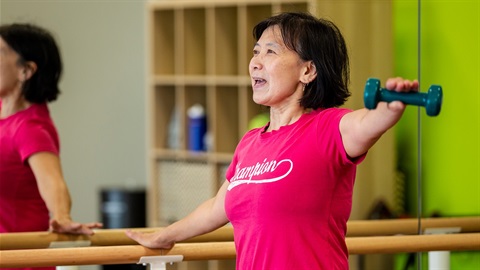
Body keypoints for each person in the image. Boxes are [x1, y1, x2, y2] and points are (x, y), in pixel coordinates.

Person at [126, 12, 418, 269]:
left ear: (308, 70)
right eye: (255, 52)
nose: (255, 63)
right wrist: (165, 236)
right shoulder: (251, 142)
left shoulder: (328, 128)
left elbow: (367, 123)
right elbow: (218, 207)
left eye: (270, 52)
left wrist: (389, 109)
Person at [0, 23, 102, 269]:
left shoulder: (30, 129)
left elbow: (53, 183)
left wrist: (61, 216)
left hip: (20, 262)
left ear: (26, 70)